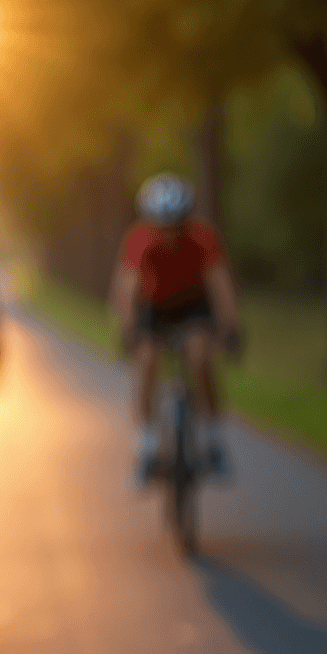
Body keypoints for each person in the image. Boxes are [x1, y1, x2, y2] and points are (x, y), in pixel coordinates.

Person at [108, 173, 242, 483]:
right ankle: (147, 447)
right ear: (150, 222)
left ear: (187, 221)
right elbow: (125, 287)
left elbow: (220, 283)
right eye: (162, 226)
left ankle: (213, 441)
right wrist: (127, 328)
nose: (169, 233)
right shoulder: (139, 238)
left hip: (192, 305)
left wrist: (230, 326)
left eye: (177, 226)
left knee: (201, 357)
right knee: (146, 361)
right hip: (153, 307)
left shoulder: (203, 237)